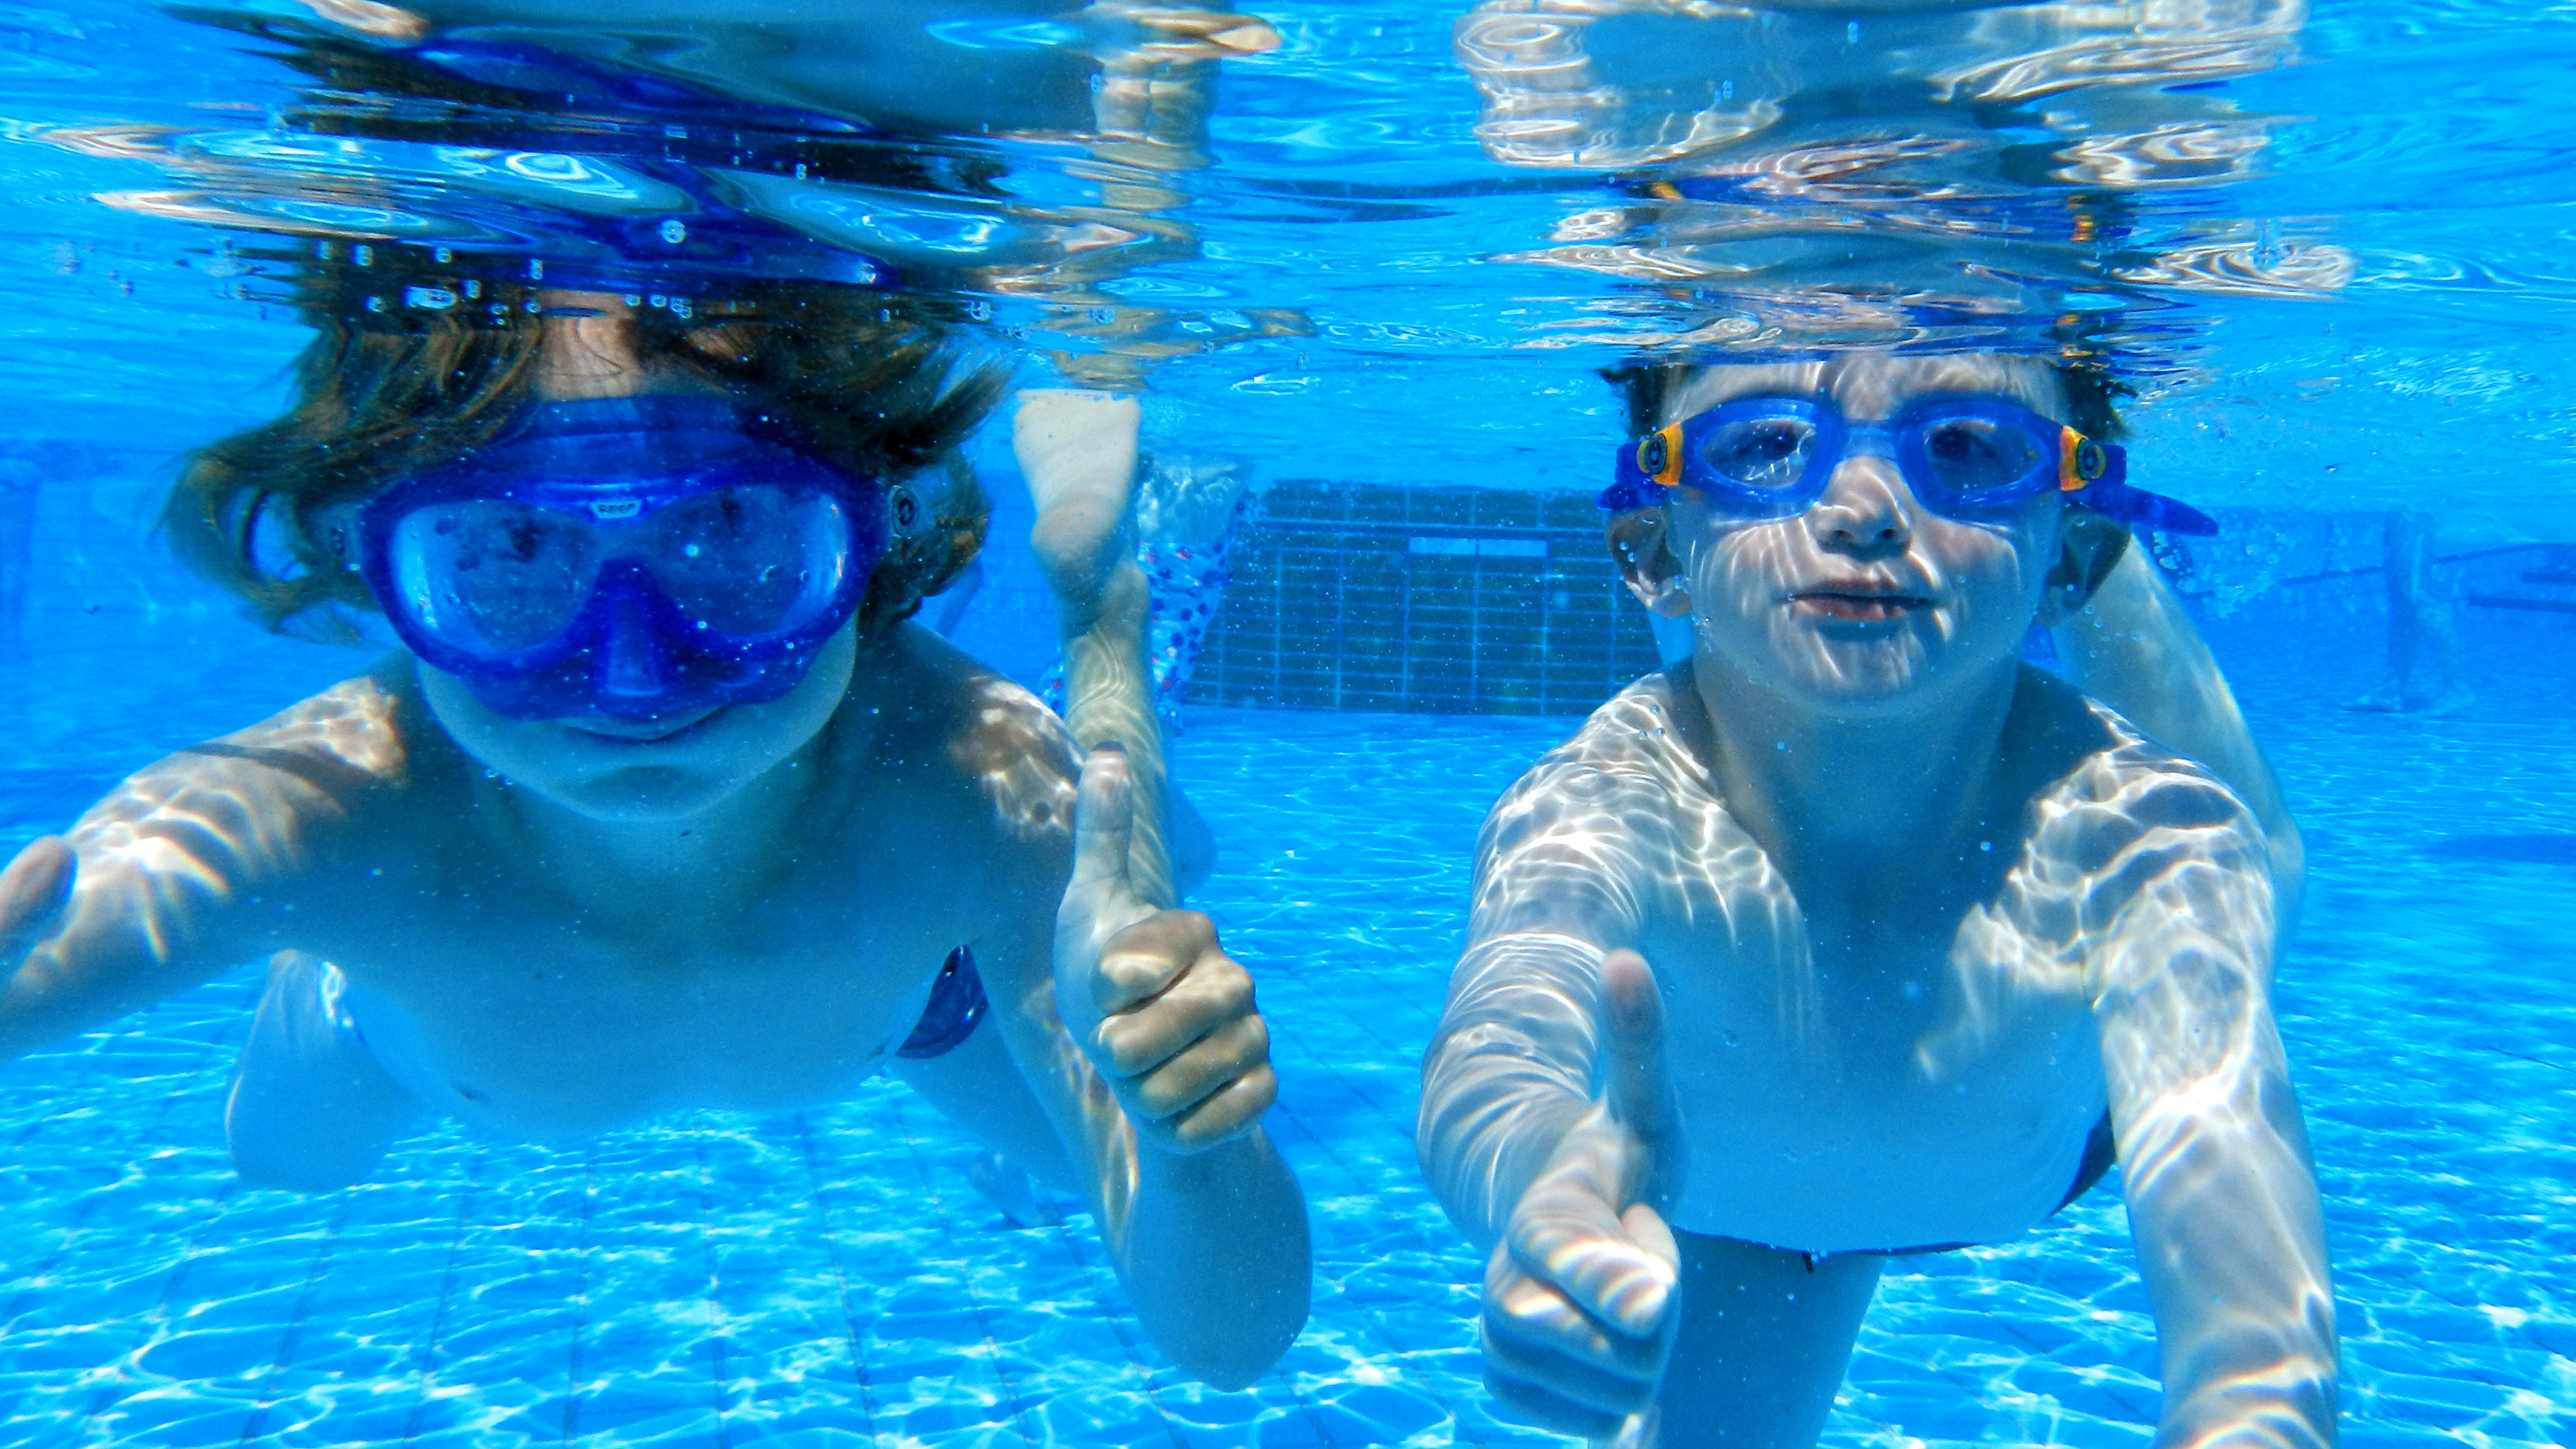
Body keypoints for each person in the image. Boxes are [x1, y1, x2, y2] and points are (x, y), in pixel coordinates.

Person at [0, 273, 1309, 1390]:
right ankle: (332, 976)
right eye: (509, 552)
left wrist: (1195, 1154)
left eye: (731, 533)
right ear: (386, 573)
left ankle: (1107, 631)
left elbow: (1225, 1343)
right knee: (286, 1164)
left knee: (1101, 1141)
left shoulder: (972, 783)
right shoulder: (328, 805)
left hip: (914, 1003)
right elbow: (69, 932)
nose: (634, 675)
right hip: (402, 1039)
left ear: (869, 539)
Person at [1417, 351, 2335, 1448]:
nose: (1860, 507)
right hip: (1726, 1199)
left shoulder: (2149, 834)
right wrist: (1539, 1182)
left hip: (1991, 1147)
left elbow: (2245, 1295)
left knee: (2254, 864)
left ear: (2076, 564)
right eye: (1763, 445)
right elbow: (1496, 1041)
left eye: (1963, 446)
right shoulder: (1596, 802)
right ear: (1641, 548)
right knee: (1769, 618)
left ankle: (1938, 495)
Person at [2345, 509, 2472, 717]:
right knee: (2403, 602)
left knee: (2417, 596)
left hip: (2412, 510)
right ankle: (2391, 690)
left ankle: (2459, 691)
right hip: (2404, 511)